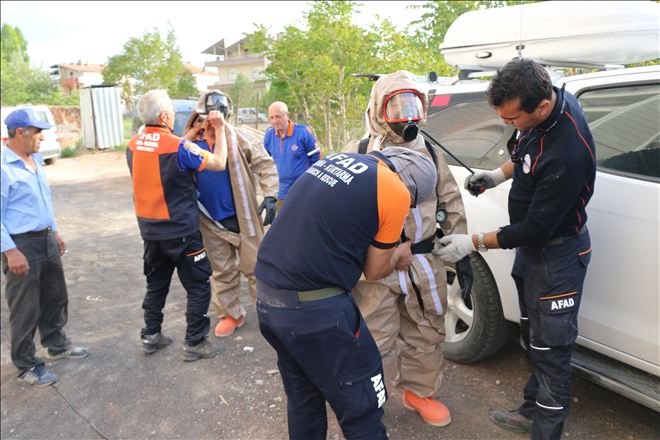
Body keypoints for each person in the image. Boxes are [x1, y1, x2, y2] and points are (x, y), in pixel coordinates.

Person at [436, 58, 596, 440]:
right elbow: (525, 151)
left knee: (552, 349)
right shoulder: (546, 106)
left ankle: (546, 430)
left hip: (557, 257)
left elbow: (535, 229)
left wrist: (471, 242)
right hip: (534, 256)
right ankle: (530, 410)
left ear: (540, 107)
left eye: (512, 119)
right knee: (533, 338)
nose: (508, 126)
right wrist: (495, 175)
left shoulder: (567, 150)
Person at [255, 146, 438, 440]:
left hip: (268, 301)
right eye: (413, 201)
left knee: (304, 398)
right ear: (410, 184)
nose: (409, 207)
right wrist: (399, 254)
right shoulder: (395, 190)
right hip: (317, 313)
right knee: (364, 403)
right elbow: (375, 271)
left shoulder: (336, 160)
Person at [346, 70, 468, 427]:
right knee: (374, 336)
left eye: (412, 105)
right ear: (378, 110)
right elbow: (344, 211)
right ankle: (368, 404)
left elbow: (451, 199)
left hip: (423, 261)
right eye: (396, 107)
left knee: (426, 331)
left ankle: (420, 393)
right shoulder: (359, 152)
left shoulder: (428, 150)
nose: (406, 116)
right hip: (376, 267)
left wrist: (461, 252)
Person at [126, 89, 227, 362]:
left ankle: (151, 335)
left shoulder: (133, 144)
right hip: (182, 232)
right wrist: (220, 130)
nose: (172, 115)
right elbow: (218, 162)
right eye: (170, 111)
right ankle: (195, 342)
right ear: (164, 116)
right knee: (198, 286)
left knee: (156, 284)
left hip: (150, 232)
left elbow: (159, 155)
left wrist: (187, 138)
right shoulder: (179, 147)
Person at [1, 108, 88, 387]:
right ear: (18, 133)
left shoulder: (35, 159)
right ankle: (27, 365)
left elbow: (43, 200)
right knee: (25, 307)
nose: (42, 136)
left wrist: (55, 231)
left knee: (55, 295)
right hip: (21, 243)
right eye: (36, 131)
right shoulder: (3, 167)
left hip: (46, 237)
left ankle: (56, 344)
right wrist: (10, 251)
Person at [184, 91, 279, 338]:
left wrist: (270, 195)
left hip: (244, 216)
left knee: (258, 267)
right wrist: (191, 135)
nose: (214, 124)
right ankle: (231, 314)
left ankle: (270, 312)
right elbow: (171, 162)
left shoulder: (240, 137)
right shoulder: (190, 143)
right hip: (210, 220)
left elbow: (265, 165)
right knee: (222, 270)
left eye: (220, 119)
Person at [264, 101, 321, 204]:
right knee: (282, 220)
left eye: (278, 117)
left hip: (302, 193)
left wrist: (314, 185)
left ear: (287, 115)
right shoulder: (269, 136)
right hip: (280, 194)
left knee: (303, 220)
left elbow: (318, 159)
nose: (275, 121)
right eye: (271, 118)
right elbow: (265, 163)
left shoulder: (302, 132)